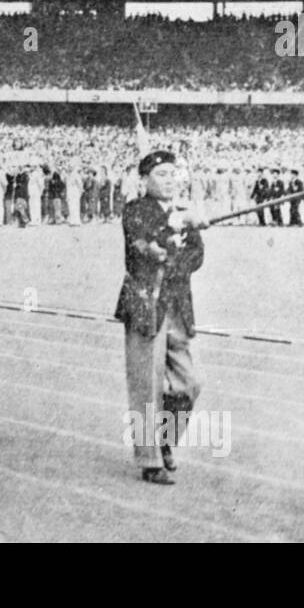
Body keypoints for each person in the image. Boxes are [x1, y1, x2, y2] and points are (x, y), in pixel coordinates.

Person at [114, 150, 205, 486]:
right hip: (145, 305)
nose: (169, 180)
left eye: (172, 174)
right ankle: (149, 460)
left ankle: (165, 440)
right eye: (161, 174)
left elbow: (197, 255)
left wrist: (175, 255)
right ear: (144, 180)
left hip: (177, 304)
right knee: (146, 387)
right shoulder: (135, 210)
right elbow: (144, 245)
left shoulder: (183, 211)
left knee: (189, 383)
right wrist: (173, 231)